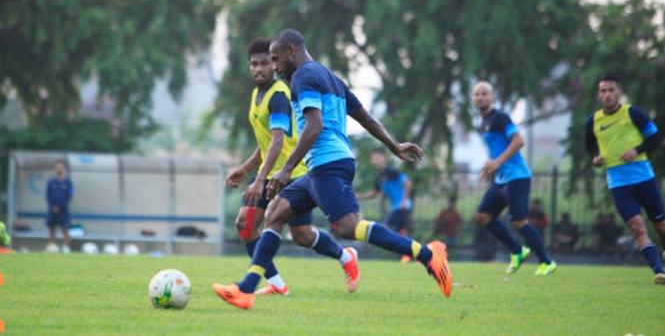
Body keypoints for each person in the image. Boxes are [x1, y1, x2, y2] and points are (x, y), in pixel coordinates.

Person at [213, 28, 452, 310]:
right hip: (320, 168)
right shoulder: (332, 78)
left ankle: (428, 254)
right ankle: (246, 289)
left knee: (350, 227)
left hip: (330, 164)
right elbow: (366, 118)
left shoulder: (303, 76)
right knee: (275, 213)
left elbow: (315, 125)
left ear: (291, 51)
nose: (276, 68)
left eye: (276, 60)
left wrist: (287, 168)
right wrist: (394, 145)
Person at [224, 38, 358, 296]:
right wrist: (246, 168)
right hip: (275, 173)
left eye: (266, 63)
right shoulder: (257, 95)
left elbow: (278, 140)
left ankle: (269, 283)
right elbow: (265, 143)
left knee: (255, 225)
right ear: (249, 66)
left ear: (275, 65)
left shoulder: (279, 96)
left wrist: (260, 178)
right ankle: (337, 260)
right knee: (300, 235)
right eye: (254, 64)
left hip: (290, 174)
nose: (260, 68)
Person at [585, 74, 665, 284]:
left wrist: (637, 150)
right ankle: (659, 271)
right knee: (637, 226)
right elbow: (590, 146)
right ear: (599, 95)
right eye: (603, 91)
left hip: (643, 178)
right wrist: (594, 157)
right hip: (619, 184)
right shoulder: (593, 121)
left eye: (611, 90)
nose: (607, 95)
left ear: (619, 93)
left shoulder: (633, 113)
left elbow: (655, 139)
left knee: (661, 226)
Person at [472, 81, 557, 276]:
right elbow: (497, 148)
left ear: (491, 97)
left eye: (484, 94)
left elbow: (519, 141)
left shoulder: (500, 117)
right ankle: (518, 251)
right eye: (477, 94)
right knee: (483, 216)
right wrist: (490, 169)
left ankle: (547, 261)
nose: (480, 97)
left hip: (517, 176)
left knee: (519, 221)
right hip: (501, 178)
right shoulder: (484, 123)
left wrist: (498, 162)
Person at [356, 148, 414, 262]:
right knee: (402, 231)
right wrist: (359, 196)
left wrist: (404, 200)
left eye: (377, 158)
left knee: (386, 228)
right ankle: (412, 253)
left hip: (402, 206)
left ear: (384, 158)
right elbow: (374, 194)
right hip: (397, 207)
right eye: (373, 158)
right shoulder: (379, 177)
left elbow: (407, 183)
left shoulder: (391, 172)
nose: (375, 161)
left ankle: (408, 253)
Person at [46, 161, 73, 253]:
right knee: (52, 229)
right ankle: (52, 247)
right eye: (57, 167)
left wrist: (61, 207)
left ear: (64, 169)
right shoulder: (51, 182)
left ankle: (66, 248)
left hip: (63, 210)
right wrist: (53, 207)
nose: (59, 169)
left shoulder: (67, 182)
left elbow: (69, 195)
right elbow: (48, 195)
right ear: (54, 169)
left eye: (61, 167)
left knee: (65, 229)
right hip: (52, 210)